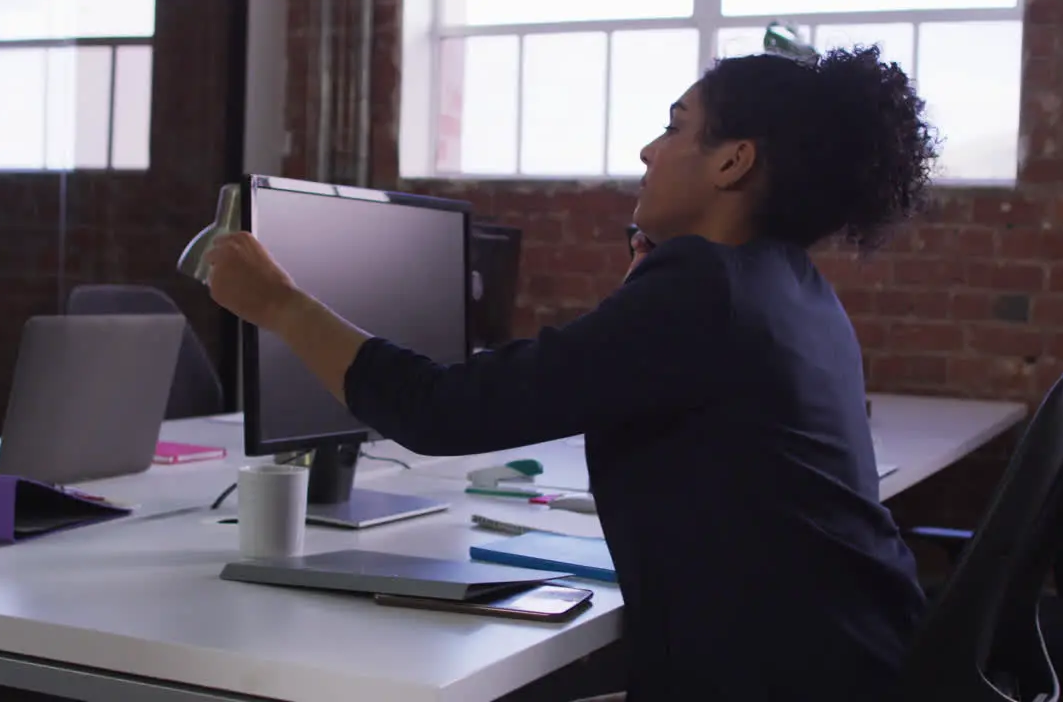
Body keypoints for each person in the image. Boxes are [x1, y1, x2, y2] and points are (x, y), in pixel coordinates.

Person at [206, 43, 938, 701]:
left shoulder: (704, 288)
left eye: (676, 126)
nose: (649, 150)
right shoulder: (791, 286)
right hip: (857, 660)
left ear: (732, 160)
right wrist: (638, 301)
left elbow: (442, 411)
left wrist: (280, 305)